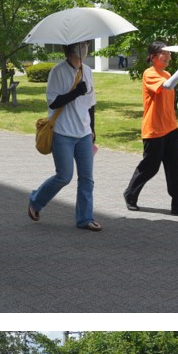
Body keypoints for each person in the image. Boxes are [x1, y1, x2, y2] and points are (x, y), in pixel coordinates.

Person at [28, 41, 101, 231]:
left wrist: (92, 128)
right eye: (81, 45)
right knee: (64, 176)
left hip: (84, 133)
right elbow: (53, 103)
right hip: (62, 132)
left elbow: (91, 104)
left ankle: (85, 218)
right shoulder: (57, 72)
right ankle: (36, 201)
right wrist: (76, 92)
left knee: (87, 178)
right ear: (71, 48)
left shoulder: (88, 71)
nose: (85, 48)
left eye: (86, 44)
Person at [124, 41, 178, 217]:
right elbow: (168, 86)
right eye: (164, 53)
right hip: (154, 130)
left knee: (177, 169)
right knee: (150, 167)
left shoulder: (166, 73)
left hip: (170, 128)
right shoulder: (149, 74)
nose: (168, 56)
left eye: (169, 53)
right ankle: (130, 194)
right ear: (153, 57)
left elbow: (170, 84)